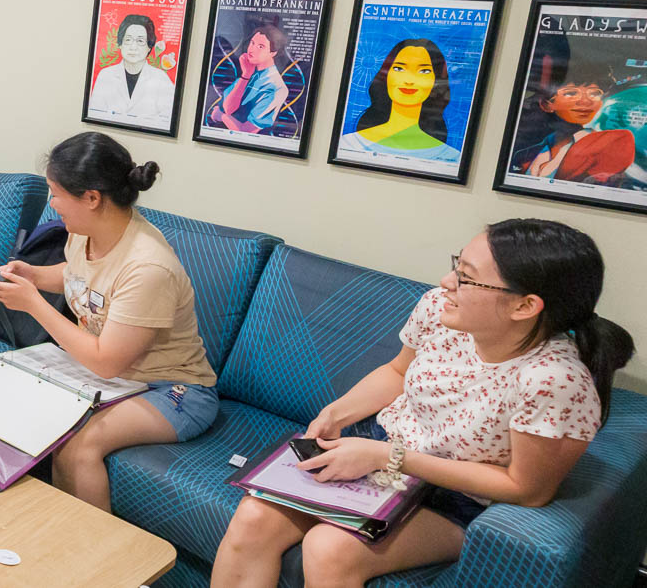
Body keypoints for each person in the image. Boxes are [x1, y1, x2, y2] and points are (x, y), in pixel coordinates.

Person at [213, 219, 634, 587]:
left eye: (466, 278)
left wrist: (388, 457)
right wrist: (336, 413)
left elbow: (527, 489)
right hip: (383, 453)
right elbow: (397, 373)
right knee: (254, 517)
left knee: (329, 547)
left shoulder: (553, 380)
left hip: (457, 495)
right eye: (457, 266)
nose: (446, 283)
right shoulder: (440, 311)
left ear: (525, 306)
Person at [0, 132, 219, 512]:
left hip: (174, 390)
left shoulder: (147, 267)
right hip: (117, 378)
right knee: (12, 403)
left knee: (77, 445)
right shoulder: (84, 234)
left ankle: (97, 560)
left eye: (56, 193)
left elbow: (107, 361)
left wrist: (34, 304)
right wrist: (33, 275)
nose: (52, 203)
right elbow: (78, 276)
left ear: (91, 197)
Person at [336, 39, 462, 164]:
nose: (409, 80)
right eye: (399, 69)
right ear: (386, 75)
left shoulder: (451, 157)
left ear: (436, 81)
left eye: (424, 71)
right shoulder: (349, 144)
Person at [512, 77, 635, 184]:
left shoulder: (614, 141)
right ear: (546, 104)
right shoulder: (524, 154)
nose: (586, 101)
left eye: (595, 93)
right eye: (571, 93)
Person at [86, 15, 177, 127]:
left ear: (149, 46)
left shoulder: (161, 79)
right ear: (120, 44)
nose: (133, 47)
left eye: (140, 41)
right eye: (128, 40)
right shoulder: (105, 75)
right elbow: (95, 115)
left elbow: (167, 121)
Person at [210, 24, 292, 135]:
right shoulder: (249, 71)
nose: (252, 50)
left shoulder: (276, 88)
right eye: (252, 43)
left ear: (273, 53)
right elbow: (228, 108)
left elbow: (246, 131)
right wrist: (246, 75)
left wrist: (222, 116)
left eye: (260, 46)